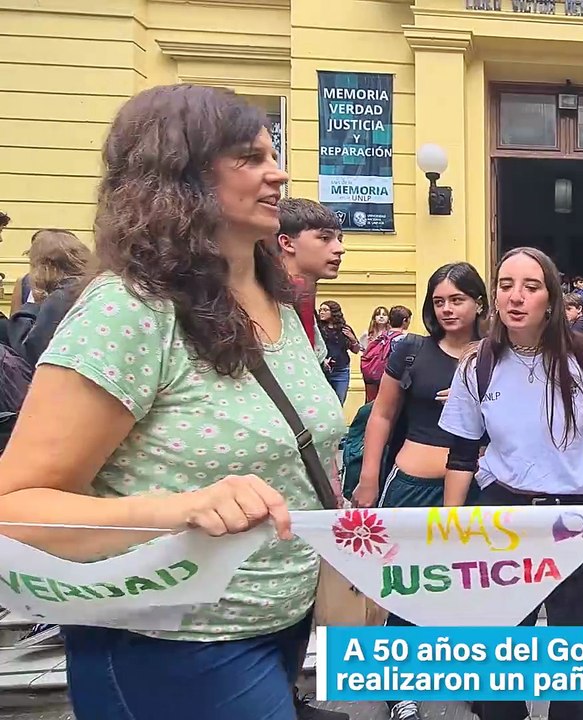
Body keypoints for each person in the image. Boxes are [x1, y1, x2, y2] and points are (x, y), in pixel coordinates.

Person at [0, 84, 345, 720]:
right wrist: (182, 509)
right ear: (176, 176)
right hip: (167, 645)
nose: (280, 172)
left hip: (280, 628)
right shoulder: (129, 309)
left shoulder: (282, 304)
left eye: (273, 152)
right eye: (249, 157)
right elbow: (14, 508)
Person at [438, 247, 583, 720]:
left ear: (552, 298)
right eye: (505, 285)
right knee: (500, 655)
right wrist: (449, 528)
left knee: (582, 660)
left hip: (576, 517)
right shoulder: (476, 364)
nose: (516, 297)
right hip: (503, 517)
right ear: (494, 297)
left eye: (531, 286)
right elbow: (462, 455)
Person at [353, 263, 487, 720]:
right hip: (410, 486)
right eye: (439, 301)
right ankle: (398, 686)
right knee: (405, 587)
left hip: (474, 489)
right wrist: (369, 478)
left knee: (473, 585)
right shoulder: (410, 350)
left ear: (478, 303)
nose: (448, 309)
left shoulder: (496, 355)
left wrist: (477, 398)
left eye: (458, 300)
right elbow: (382, 415)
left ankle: (476, 681)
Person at [8, 229, 91, 365]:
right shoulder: (90, 288)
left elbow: (30, 353)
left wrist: (33, 303)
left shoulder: (60, 297)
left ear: (46, 265)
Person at [275, 198, 345, 354]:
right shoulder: (261, 307)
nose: (340, 249)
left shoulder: (303, 297)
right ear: (287, 243)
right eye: (325, 238)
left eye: (339, 239)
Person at [317, 300, 360, 405]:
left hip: (341, 371)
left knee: (339, 401)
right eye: (320, 310)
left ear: (333, 312)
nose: (321, 312)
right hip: (323, 370)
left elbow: (356, 350)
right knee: (324, 402)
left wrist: (353, 339)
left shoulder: (344, 329)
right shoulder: (318, 328)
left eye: (325, 310)